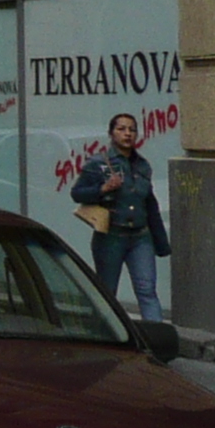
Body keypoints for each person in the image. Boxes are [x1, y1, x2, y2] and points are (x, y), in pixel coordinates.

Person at [70, 112, 169, 319]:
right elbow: (77, 193)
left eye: (132, 130)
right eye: (121, 129)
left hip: (140, 237)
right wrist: (103, 188)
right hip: (111, 236)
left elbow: (150, 204)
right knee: (107, 293)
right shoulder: (98, 163)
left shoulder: (142, 165)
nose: (127, 134)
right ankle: (107, 335)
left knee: (147, 290)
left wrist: (161, 242)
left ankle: (157, 339)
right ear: (111, 133)